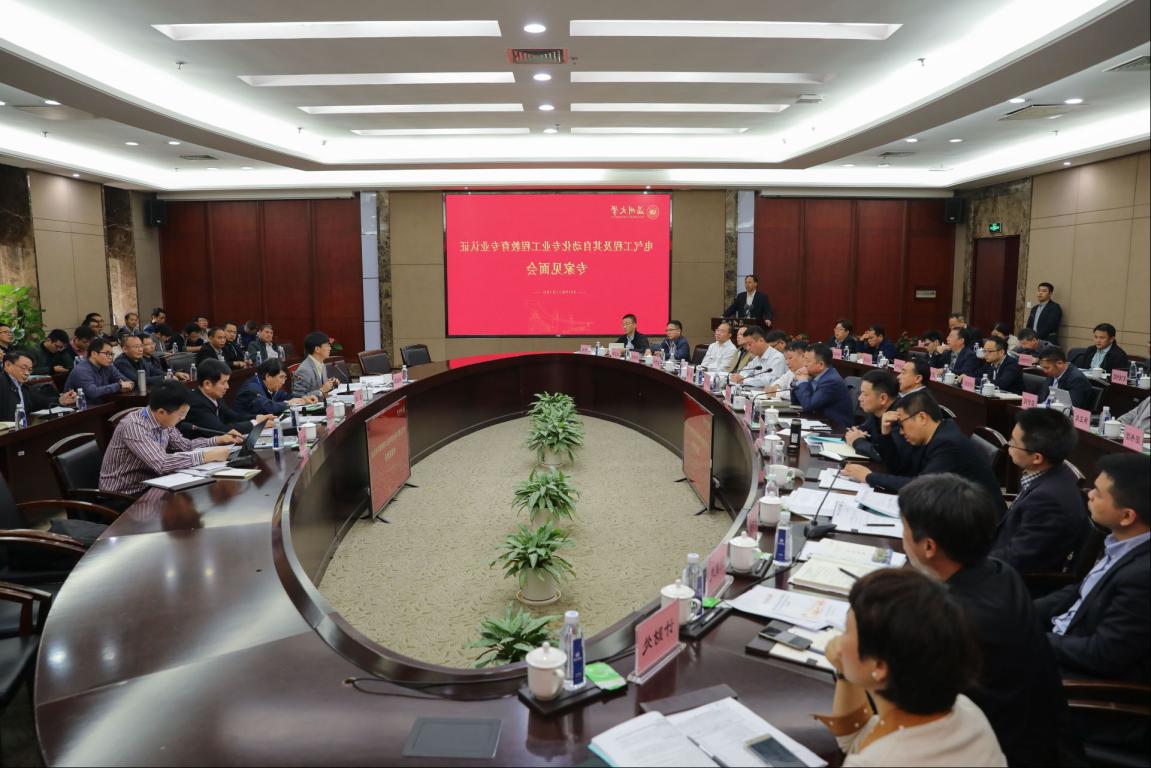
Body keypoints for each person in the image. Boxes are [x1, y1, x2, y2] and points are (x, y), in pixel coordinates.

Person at [898, 474, 1069, 767]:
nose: (902, 537)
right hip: (1031, 734)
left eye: (903, 527)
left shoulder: (947, 623)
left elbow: (904, 701)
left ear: (929, 547)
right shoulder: (1000, 572)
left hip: (985, 750)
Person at [817, 569, 1006, 767]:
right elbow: (855, 739)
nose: (839, 639)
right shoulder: (966, 711)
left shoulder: (875, 762)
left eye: (847, 631)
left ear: (879, 666)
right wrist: (845, 671)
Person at [1036, 452, 1149, 683]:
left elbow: (1103, 654)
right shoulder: (1119, 542)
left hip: (1081, 680)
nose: (1089, 495)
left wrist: (1033, 639)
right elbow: (1080, 592)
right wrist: (1019, 611)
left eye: (1098, 492)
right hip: (1061, 641)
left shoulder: (1142, 576)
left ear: (1127, 516)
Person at [842, 390, 1001, 503]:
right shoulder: (932, 435)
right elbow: (900, 469)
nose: (901, 432)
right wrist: (886, 434)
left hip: (977, 525)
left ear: (922, 418)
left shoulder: (947, 443)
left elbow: (921, 486)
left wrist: (869, 477)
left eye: (901, 424)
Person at [993, 409, 1093, 573]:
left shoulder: (1048, 500)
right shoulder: (1049, 472)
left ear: (1037, 458)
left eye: (1013, 442)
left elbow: (1018, 558)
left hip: (1016, 579)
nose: (1008, 445)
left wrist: (970, 562)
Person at [98, 380, 238, 497]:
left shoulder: (162, 420)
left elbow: (185, 445)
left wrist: (217, 440)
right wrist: (206, 456)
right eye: (181, 414)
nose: (182, 418)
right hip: (122, 494)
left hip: (149, 485)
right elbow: (162, 464)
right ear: (161, 412)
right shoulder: (135, 426)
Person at [178, 359, 274, 438]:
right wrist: (256, 423)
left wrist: (257, 417)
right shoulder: (195, 403)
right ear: (207, 384)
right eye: (223, 382)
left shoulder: (216, 396)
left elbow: (232, 416)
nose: (227, 387)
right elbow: (219, 430)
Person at [845, 370, 904, 463]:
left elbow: (886, 456)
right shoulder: (876, 411)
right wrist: (855, 435)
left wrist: (858, 441)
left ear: (883, 398)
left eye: (865, 394)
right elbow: (861, 430)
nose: (859, 398)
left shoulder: (900, 418)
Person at [792, 343, 854, 429]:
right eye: (804, 360)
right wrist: (796, 381)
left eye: (808, 361)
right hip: (819, 422)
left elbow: (808, 405)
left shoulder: (831, 381)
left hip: (835, 428)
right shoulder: (814, 376)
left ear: (821, 365)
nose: (804, 364)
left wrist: (802, 381)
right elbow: (796, 402)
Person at [0, 351, 77, 420]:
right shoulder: (2, 381)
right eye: (23, 368)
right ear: (8, 365)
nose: (27, 373)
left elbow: (39, 402)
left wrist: (60, 400)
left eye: (30, 370)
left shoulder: (22, 387)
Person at [235, 358, 317, 417]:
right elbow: (267, 408)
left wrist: (303, 398)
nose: (283, 382)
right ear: (268, 376)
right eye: (281, 377)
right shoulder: (252, 389)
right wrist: (289, 403)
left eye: (285, 378)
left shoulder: (270, 386)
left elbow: (285, 396)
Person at [64, 338, 134, 405]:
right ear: (94, 354)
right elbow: (93, 392)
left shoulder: (108, 366)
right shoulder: (81, 370)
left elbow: (128, 382)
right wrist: (119, 386)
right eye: (107, 353)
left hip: (103, 405)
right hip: (83, 409)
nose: (110, 357)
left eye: (111, 354)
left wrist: (127, 386)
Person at [292, 331, 340, 399]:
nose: (330, 348)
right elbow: (298, 397)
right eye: (327, 345)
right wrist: (321, 390)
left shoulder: (321, 364)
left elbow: (323, 389)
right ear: (317, 349)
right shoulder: (304, 370)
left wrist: (332, 384)